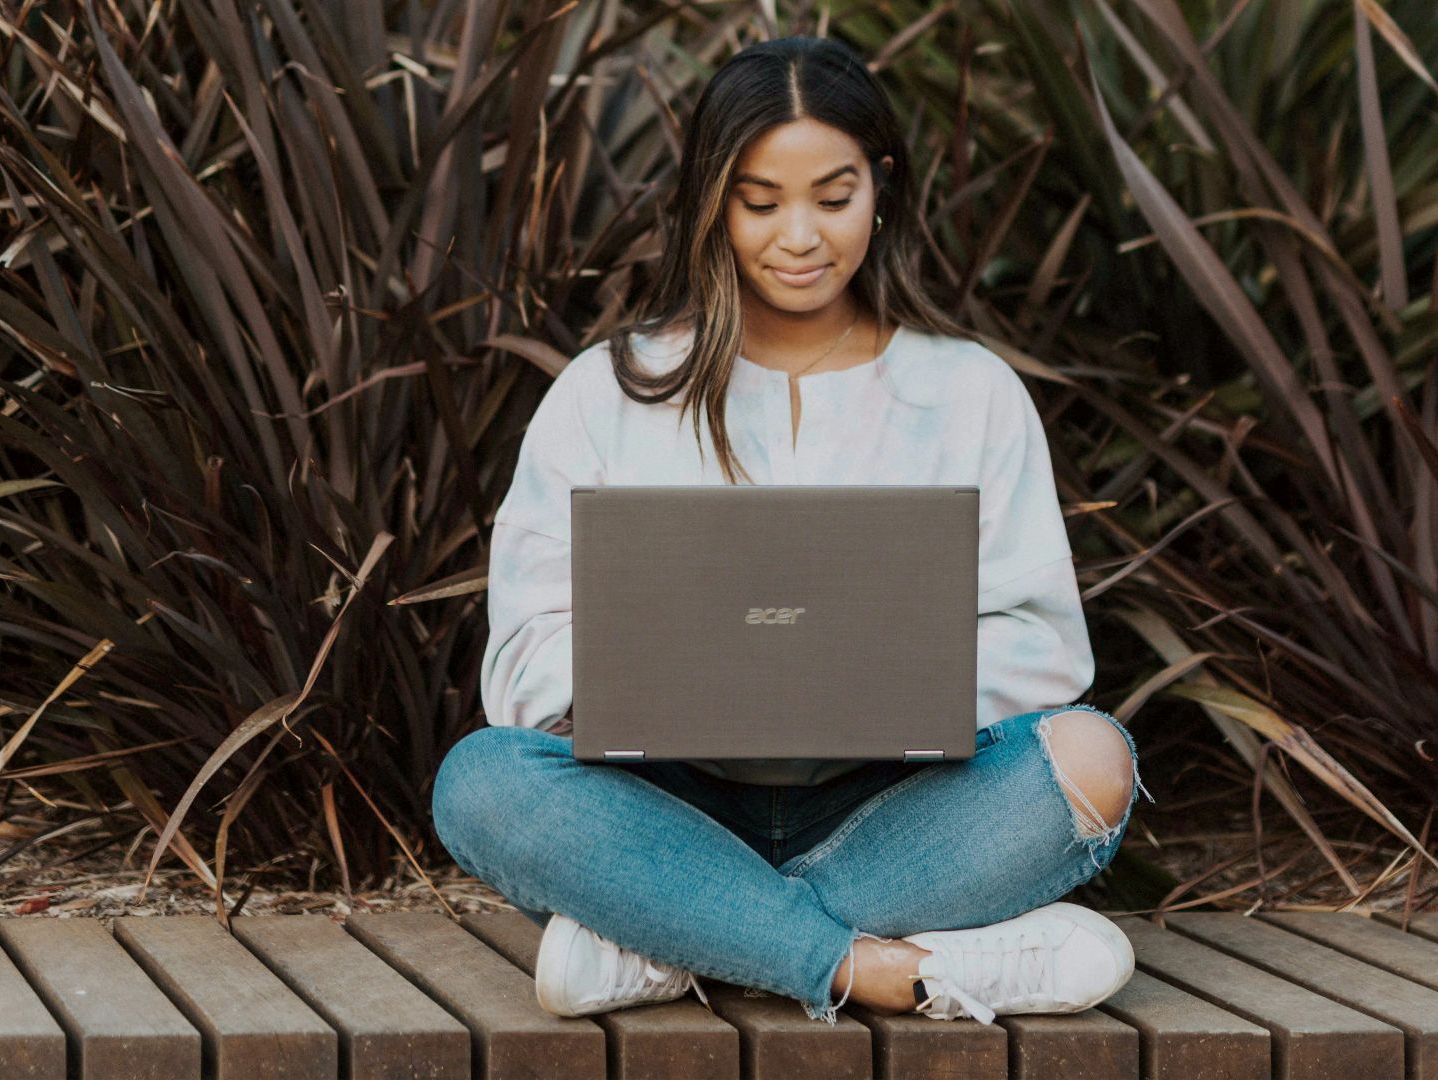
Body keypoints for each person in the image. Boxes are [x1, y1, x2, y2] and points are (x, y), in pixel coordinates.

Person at [432, 34, 1155, 1027]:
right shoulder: (606, 393)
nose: (800, 236)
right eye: (761, 202)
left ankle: (677, 940)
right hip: (666, 803)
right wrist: (691, 683)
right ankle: (886, 970)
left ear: (882, 185)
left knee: (1092, 758)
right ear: (711, 200)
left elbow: (1041, 649)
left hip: (892, 810)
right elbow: (523, 659)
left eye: (834, 195)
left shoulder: (969, 392)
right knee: (480, 783)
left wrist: (873, 684)